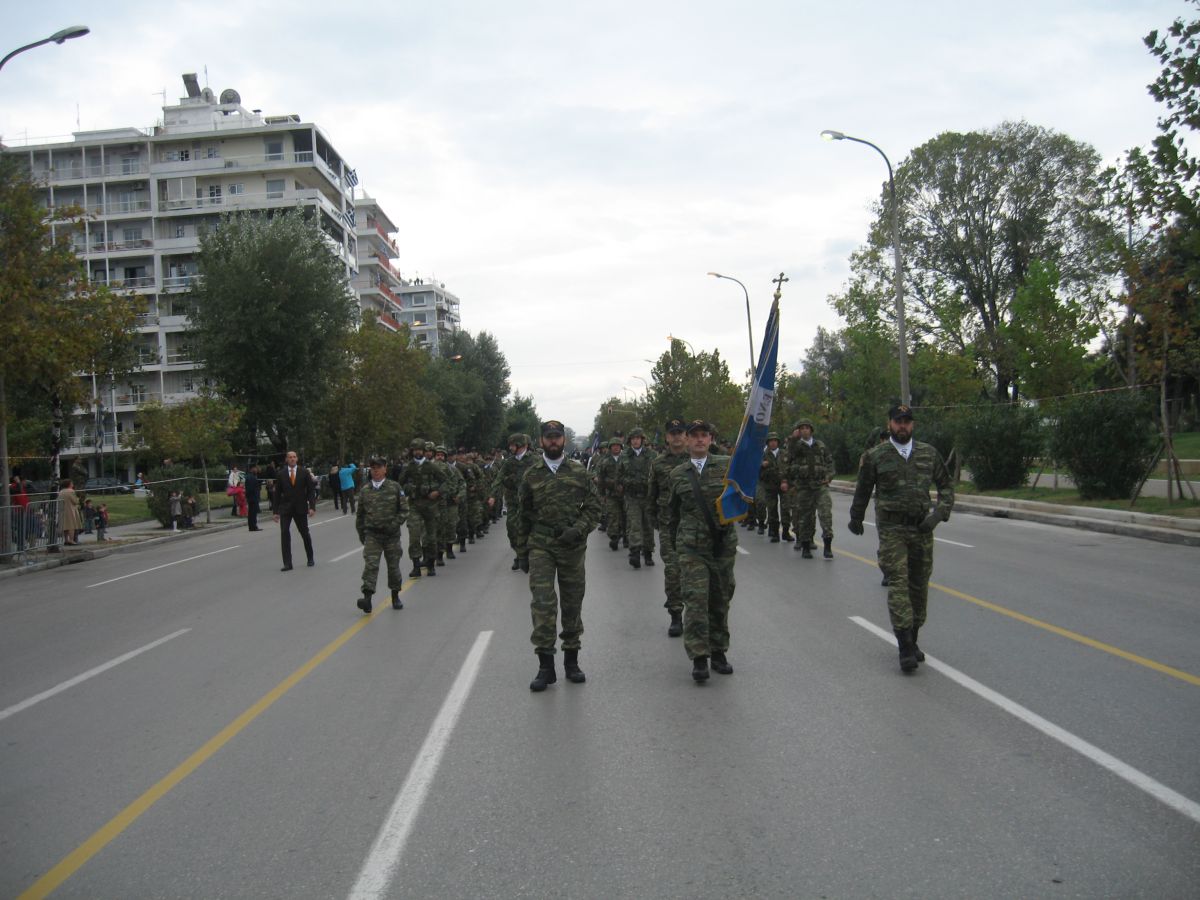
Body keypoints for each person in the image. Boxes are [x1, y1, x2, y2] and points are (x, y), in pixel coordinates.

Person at [848, 404, 955, 673]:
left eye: (907, 421)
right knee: (898, 582)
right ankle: (904, 644)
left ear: (913, 425)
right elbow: (863, 489)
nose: (903, 426)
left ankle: (914, 636)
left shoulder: (928, 453)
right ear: (889, 425)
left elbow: (946, 487)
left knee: (919, 586)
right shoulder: (876, 456)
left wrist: (938, 515)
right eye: (898, 421)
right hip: (892, 529)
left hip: (921, 528)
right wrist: (856, 517)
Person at [516, 420, 600, 692]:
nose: (553, 441)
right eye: (548, 437)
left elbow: (595, 508)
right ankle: (545, 666)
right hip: (541, 545)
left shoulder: (579, 472)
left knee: (572, 603)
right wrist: (523, 551)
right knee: (542, 603)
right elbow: (523, 513)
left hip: (572, 547)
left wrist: (578, 530)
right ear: (541, 441)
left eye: (557, 437)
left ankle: (572, 661)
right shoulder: (531, 475)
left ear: (564, 440)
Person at [666, 420, 738, 682]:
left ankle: (719, 652)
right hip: (692, 548)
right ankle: (699, 658)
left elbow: (743, 497)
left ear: (711, 439)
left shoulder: (727, 466)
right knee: (696, 602)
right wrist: (675, 547)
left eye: (703, 435)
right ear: (686, 440)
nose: (699, 440)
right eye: (693, 435)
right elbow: (671, 515)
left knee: (720, 600)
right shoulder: (677, 475)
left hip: (722, 546)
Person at [648, 417, 689, 637]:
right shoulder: (658, 463)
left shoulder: (697, 459)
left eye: (680, 432)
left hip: (694, 525)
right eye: (672, 433)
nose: (676, 436)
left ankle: (698, 614)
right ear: (667, 437)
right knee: (673, 570)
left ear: (686, 435)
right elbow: (651, 495)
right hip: (668, 526)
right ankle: (675, 614)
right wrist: (657, 522)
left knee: (694, 572)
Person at [355, 456, 409, 614]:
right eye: (373, 468)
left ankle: (395, 596)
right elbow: (360, 515)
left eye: (379, 467)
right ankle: (367, 599)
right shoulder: (365, 490)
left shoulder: (394, 487)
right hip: (373, 535)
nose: (376, 471)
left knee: (393, 567)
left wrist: (394, 524)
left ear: (385, 469)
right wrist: (362, 534)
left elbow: (404, 510)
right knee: (370, 566)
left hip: (391, 535)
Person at [784, 418, 835, 559]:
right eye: (801, 428)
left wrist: (829, 476)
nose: (804, 430)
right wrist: (793, 439)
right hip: (804, 487)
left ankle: (828, 546)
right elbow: (789, 455)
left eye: (807, 428)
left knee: (826, 515)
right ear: (798, 431)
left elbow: (830, 462)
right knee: (805, 518)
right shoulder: (796, 446)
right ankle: (805, 546)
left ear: (811, 430)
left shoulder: (820, 445)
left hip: (820, 486)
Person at [489, 433, 538, 571]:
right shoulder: (509, 462)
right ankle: (519, 553)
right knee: (512, 530)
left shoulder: (535, 460)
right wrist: (492, 495)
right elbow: (499, 479)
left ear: (521, 445)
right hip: (514, 503)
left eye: (512, 445)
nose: (510, 448)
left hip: (531, 503)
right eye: (510, 445)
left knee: (530, 530)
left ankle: (527, 556)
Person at [400, 438, 445, 577]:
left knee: (431, 537)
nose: (417, 452)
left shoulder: (431, 467)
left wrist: (437, 492)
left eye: (420, 449)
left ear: (424, 451)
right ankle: (416, 565)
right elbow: (400, 484)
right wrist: (407, 489)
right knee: (414, 536)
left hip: (430, 506)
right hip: (414, 505)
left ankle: (431, 564)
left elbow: (445, 482)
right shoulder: (409, 467)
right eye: (415, 450)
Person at [617, 427, 657, 569]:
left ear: (642, 440)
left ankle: (648, 553)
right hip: (631, 496)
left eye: (638, 438)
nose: (635, 441)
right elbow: (619, 475)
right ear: (629, 441)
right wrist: (625, 483)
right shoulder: (624, 456)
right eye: (633, 439)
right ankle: (634, 552)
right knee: (634, 524)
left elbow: (657, 474)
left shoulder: (652, 455)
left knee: (648, 525)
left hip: (647, 496)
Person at [272, 450, 317, 571]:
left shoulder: (304, 472)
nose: (292, 459)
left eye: (294, 457)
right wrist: (275, 512)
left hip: (300, 508)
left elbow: (311, 490)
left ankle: (310, 557)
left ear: (297, 459)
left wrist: (312, 507)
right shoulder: (281, 474)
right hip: (286, 508)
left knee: (304, 533)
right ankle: (287, 563)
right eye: (290, 457)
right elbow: (277, 494)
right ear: (286, 459)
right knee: (284, 533)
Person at [756, 432, 790, 541]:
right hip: (769, 486)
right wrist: (761, 465)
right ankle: (775, 533)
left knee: (785, 509)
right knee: (772, 510)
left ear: (778, 442)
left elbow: (789, 468)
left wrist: (786, 481)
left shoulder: (784, 453)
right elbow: (756, 471)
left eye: (775, 440)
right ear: (768, 443)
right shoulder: (763, 455)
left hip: (783, 485)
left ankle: (785, 531)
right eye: (771, 441)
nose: (773, 443)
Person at [595, 437, 625, 551]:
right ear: (610, 448)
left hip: (626, 494)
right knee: (612, 516)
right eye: (613, 445)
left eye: (618, 445)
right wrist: (602, 494)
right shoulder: (604, 461)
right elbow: (601, 479)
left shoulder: (626, 459)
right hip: (611, 494)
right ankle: (614, 537)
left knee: (625, 516)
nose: (616, 447)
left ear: (621, 447)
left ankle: (625, 535)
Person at [59, 480, 82, 545]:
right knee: (72, 526)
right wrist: (78, 498)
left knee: (65, 526)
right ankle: (71, 540)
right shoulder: (71, 491)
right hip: (70, 510)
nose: (73, 484)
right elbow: (75, 501)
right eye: (72, 483)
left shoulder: (61, 491)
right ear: (69, 484)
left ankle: (66, 540)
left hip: (63, 510)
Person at [245, 465, 264, 531]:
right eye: (255, 468)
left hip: (251, 498)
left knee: (251, 513)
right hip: (253, 498)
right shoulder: (251, 477)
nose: (256, 470)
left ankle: (251, 526)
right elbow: (251, 488)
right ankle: (253, 526)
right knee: (253, 513)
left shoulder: (250, 476)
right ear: (252, 469)